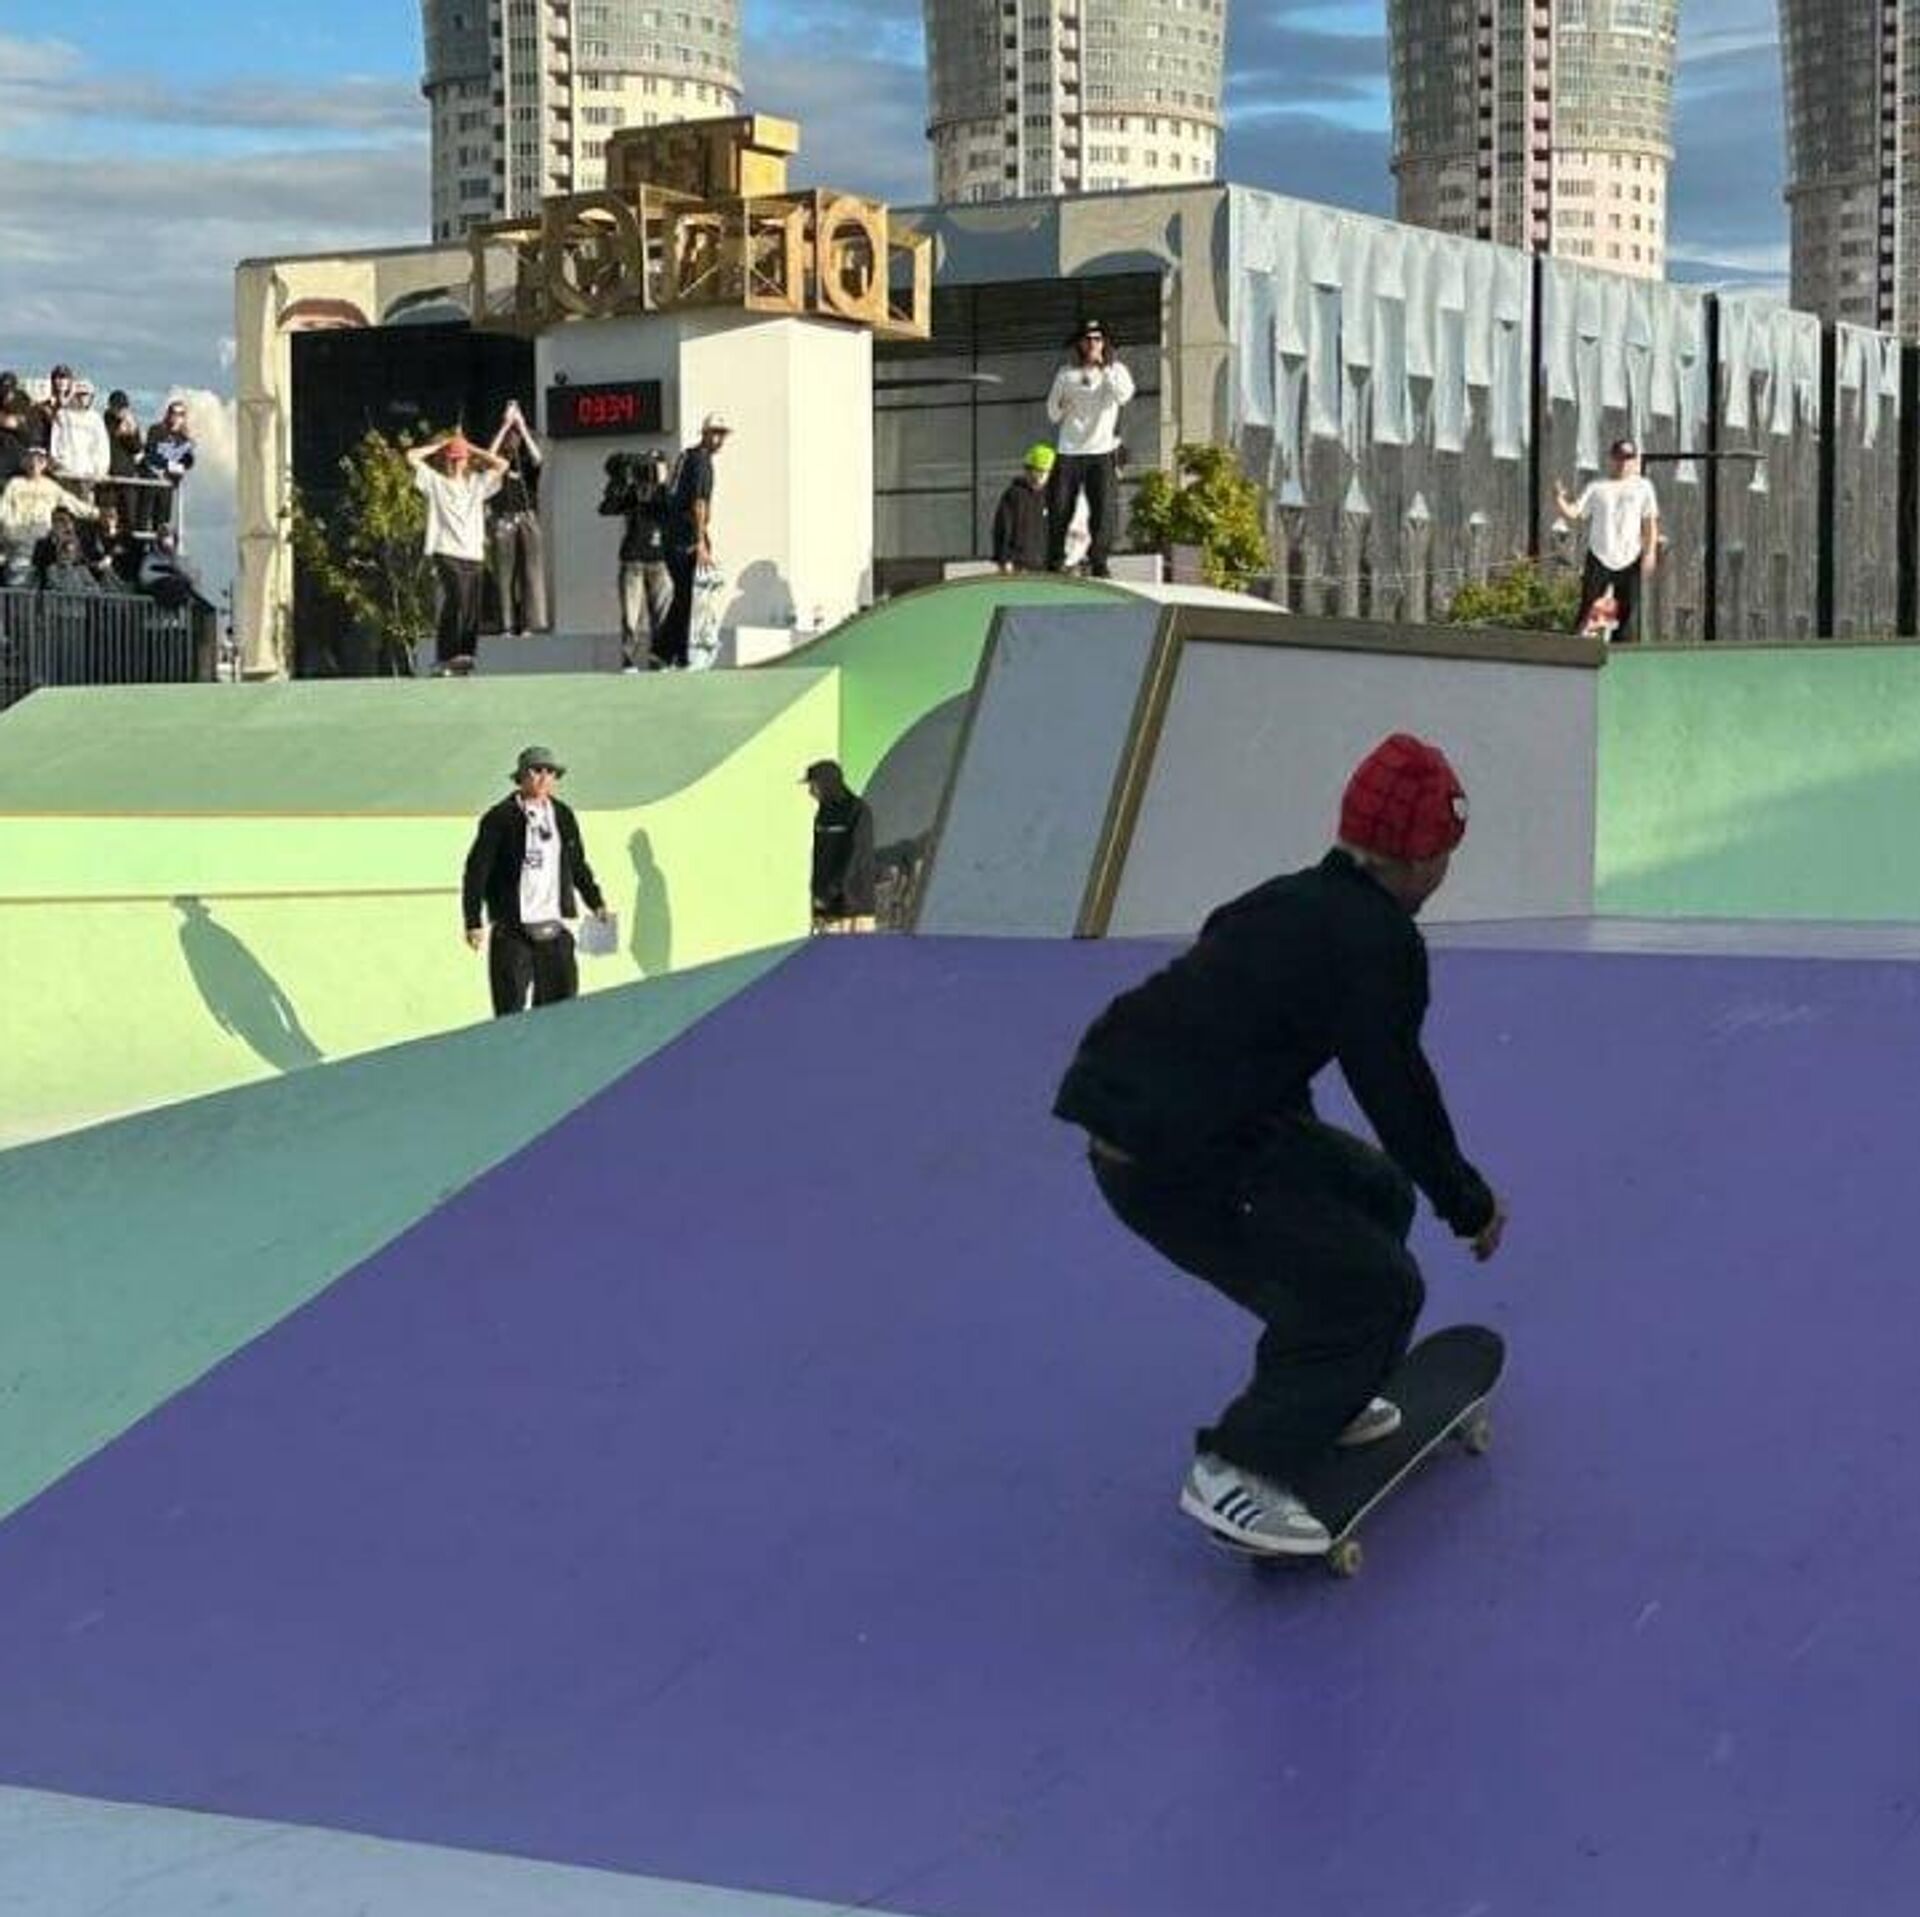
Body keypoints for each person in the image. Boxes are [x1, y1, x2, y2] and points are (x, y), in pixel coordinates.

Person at [1052, 734, 1507, 1559]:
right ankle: (1238, 1469)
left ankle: (1330, 1389)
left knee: (1373, 1192)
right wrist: (1467, 1202)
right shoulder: (1380, 944)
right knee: (1377, 1291)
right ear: (1421, 859)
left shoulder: (1282, 900)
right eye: (1446, 853)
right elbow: (1396, 1091)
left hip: (1185, 1120)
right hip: (1171, 1160)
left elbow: (1234, 1023)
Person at [461, 745, 612, 1017]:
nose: (544, 777)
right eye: (537, 770)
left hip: (552, 927)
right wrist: (473, 920)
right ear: (522, 776)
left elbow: (577, 863)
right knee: (511, 1012)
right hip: (513, 930)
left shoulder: (563, 815)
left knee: (562, 1009)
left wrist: (596, 902)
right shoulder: (500, 817)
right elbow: (477, 870)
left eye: (550, 772)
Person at [407, 429, 508, 675]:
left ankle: (464, 656)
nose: (455, 463)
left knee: (471, 608)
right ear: (445, 460)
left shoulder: (477, 484)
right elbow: (411, 456)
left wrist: (470, 447)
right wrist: (441, 445)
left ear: (466, 461)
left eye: (459, 459)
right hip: (446, 550)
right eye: (451, 459)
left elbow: (502, 464)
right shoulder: (436, 482)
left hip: (473, 552)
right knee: (457, 600)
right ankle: (444, 656)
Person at [1045, 318, 1135, 578]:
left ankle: (1099, 561)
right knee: (1060, 507)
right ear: (1080, 344)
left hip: (1101, 451)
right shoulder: (1066, 374)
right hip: (1069, 451)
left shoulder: (1117, 370)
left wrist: (1104, 368)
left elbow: (1123, 396)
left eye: (1098, 338)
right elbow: (1052, 413)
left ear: (1104, 342)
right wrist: (1064, 404)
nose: (1093, 344)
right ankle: (1055, 560)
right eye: (1088, 339)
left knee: (1103, 509)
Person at [1556, 438, 1660, 645]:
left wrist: (1650, 553)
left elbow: (1650, 523)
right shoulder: (1597, 487)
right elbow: (1575, 513)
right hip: (1600, 555)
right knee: (1587, 608)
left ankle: (1621, 655)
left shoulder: (1643, 487)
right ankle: (1578, 651)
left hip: (1630, 557)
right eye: (1619, 458)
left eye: (1628, 458)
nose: (1623, 463)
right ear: (1611, 459)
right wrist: (1559, 499)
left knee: (1626, 614)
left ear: (1635, 460)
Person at [658, 412, 731, 670]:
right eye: (716, 434)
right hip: (685, 538)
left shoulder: (686, 456)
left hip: (672, 536)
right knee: (688, 597)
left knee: (684, 596)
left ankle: (670, 653)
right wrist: (700, 542)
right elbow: (699, 503)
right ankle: (671, 652)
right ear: (705, 434)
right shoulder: (701, 461)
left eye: (722, 435)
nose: (719, 440)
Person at [598, 449, 673, 671]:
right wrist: (619, 478)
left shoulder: (669, 493)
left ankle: (659, 658)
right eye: (647, 468)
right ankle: (629, 659)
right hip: (633, 561)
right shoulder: (632, 493)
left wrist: (661, 484)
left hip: (660, 560)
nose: (650, 473)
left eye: (655, 467)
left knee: (662, 614)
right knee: (631, 616)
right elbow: (607, 508)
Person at [487, 400, 548, 638]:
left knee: (530, 572)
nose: (513, 440)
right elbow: (488, 457)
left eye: (516, 437)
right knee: (504, 575)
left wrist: (521, 427)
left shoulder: (527, 466)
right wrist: (504, 426)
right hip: (504, 518)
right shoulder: (499, 465)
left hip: (527, 516)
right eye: (509, 437)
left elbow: (538, 458)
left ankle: (530, 623)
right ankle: (506, 624)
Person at [1, 446, 97, 586]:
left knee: (47, 578)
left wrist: (95, 512)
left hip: (43, 538)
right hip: (19, 538)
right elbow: (3, 509)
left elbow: (71, 502)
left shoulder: (51, 486)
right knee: (18, 581)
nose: (35, 463)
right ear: (25, 462)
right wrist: (8, 532)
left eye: (39, 460)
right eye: (31, 459)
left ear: (44, 464)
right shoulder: (14, 484)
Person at [804, 759, 877, 934]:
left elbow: (857, 855)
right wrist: (818, 896)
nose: (811, 791)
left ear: (827, 783)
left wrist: (832, 890)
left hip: (855, 906)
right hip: (827, 907)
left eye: (813, 785)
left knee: (856, 951)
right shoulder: (823, 813)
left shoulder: (858, 810)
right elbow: (819, 856)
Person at [138, 398, 196, 536]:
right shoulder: (156, 430)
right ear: (168, 414)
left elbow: (188, 462)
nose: (176, 417)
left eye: (181, 414)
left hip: (167, 484)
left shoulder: (183, 438)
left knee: (162, 522)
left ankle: (158, 544)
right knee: (143, 519)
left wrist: (188, 449)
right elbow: (151, 455)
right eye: (174, 413)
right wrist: (170, 464)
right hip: (150, 479)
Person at [992, 444, 1054, 573]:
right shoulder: (1014, 495)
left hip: (1046, 565)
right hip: (1019, 565)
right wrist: (1004, 559)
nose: (1037, 476)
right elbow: (1002, 528)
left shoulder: (1053, 496)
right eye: (1033, 471)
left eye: (1042, 472)